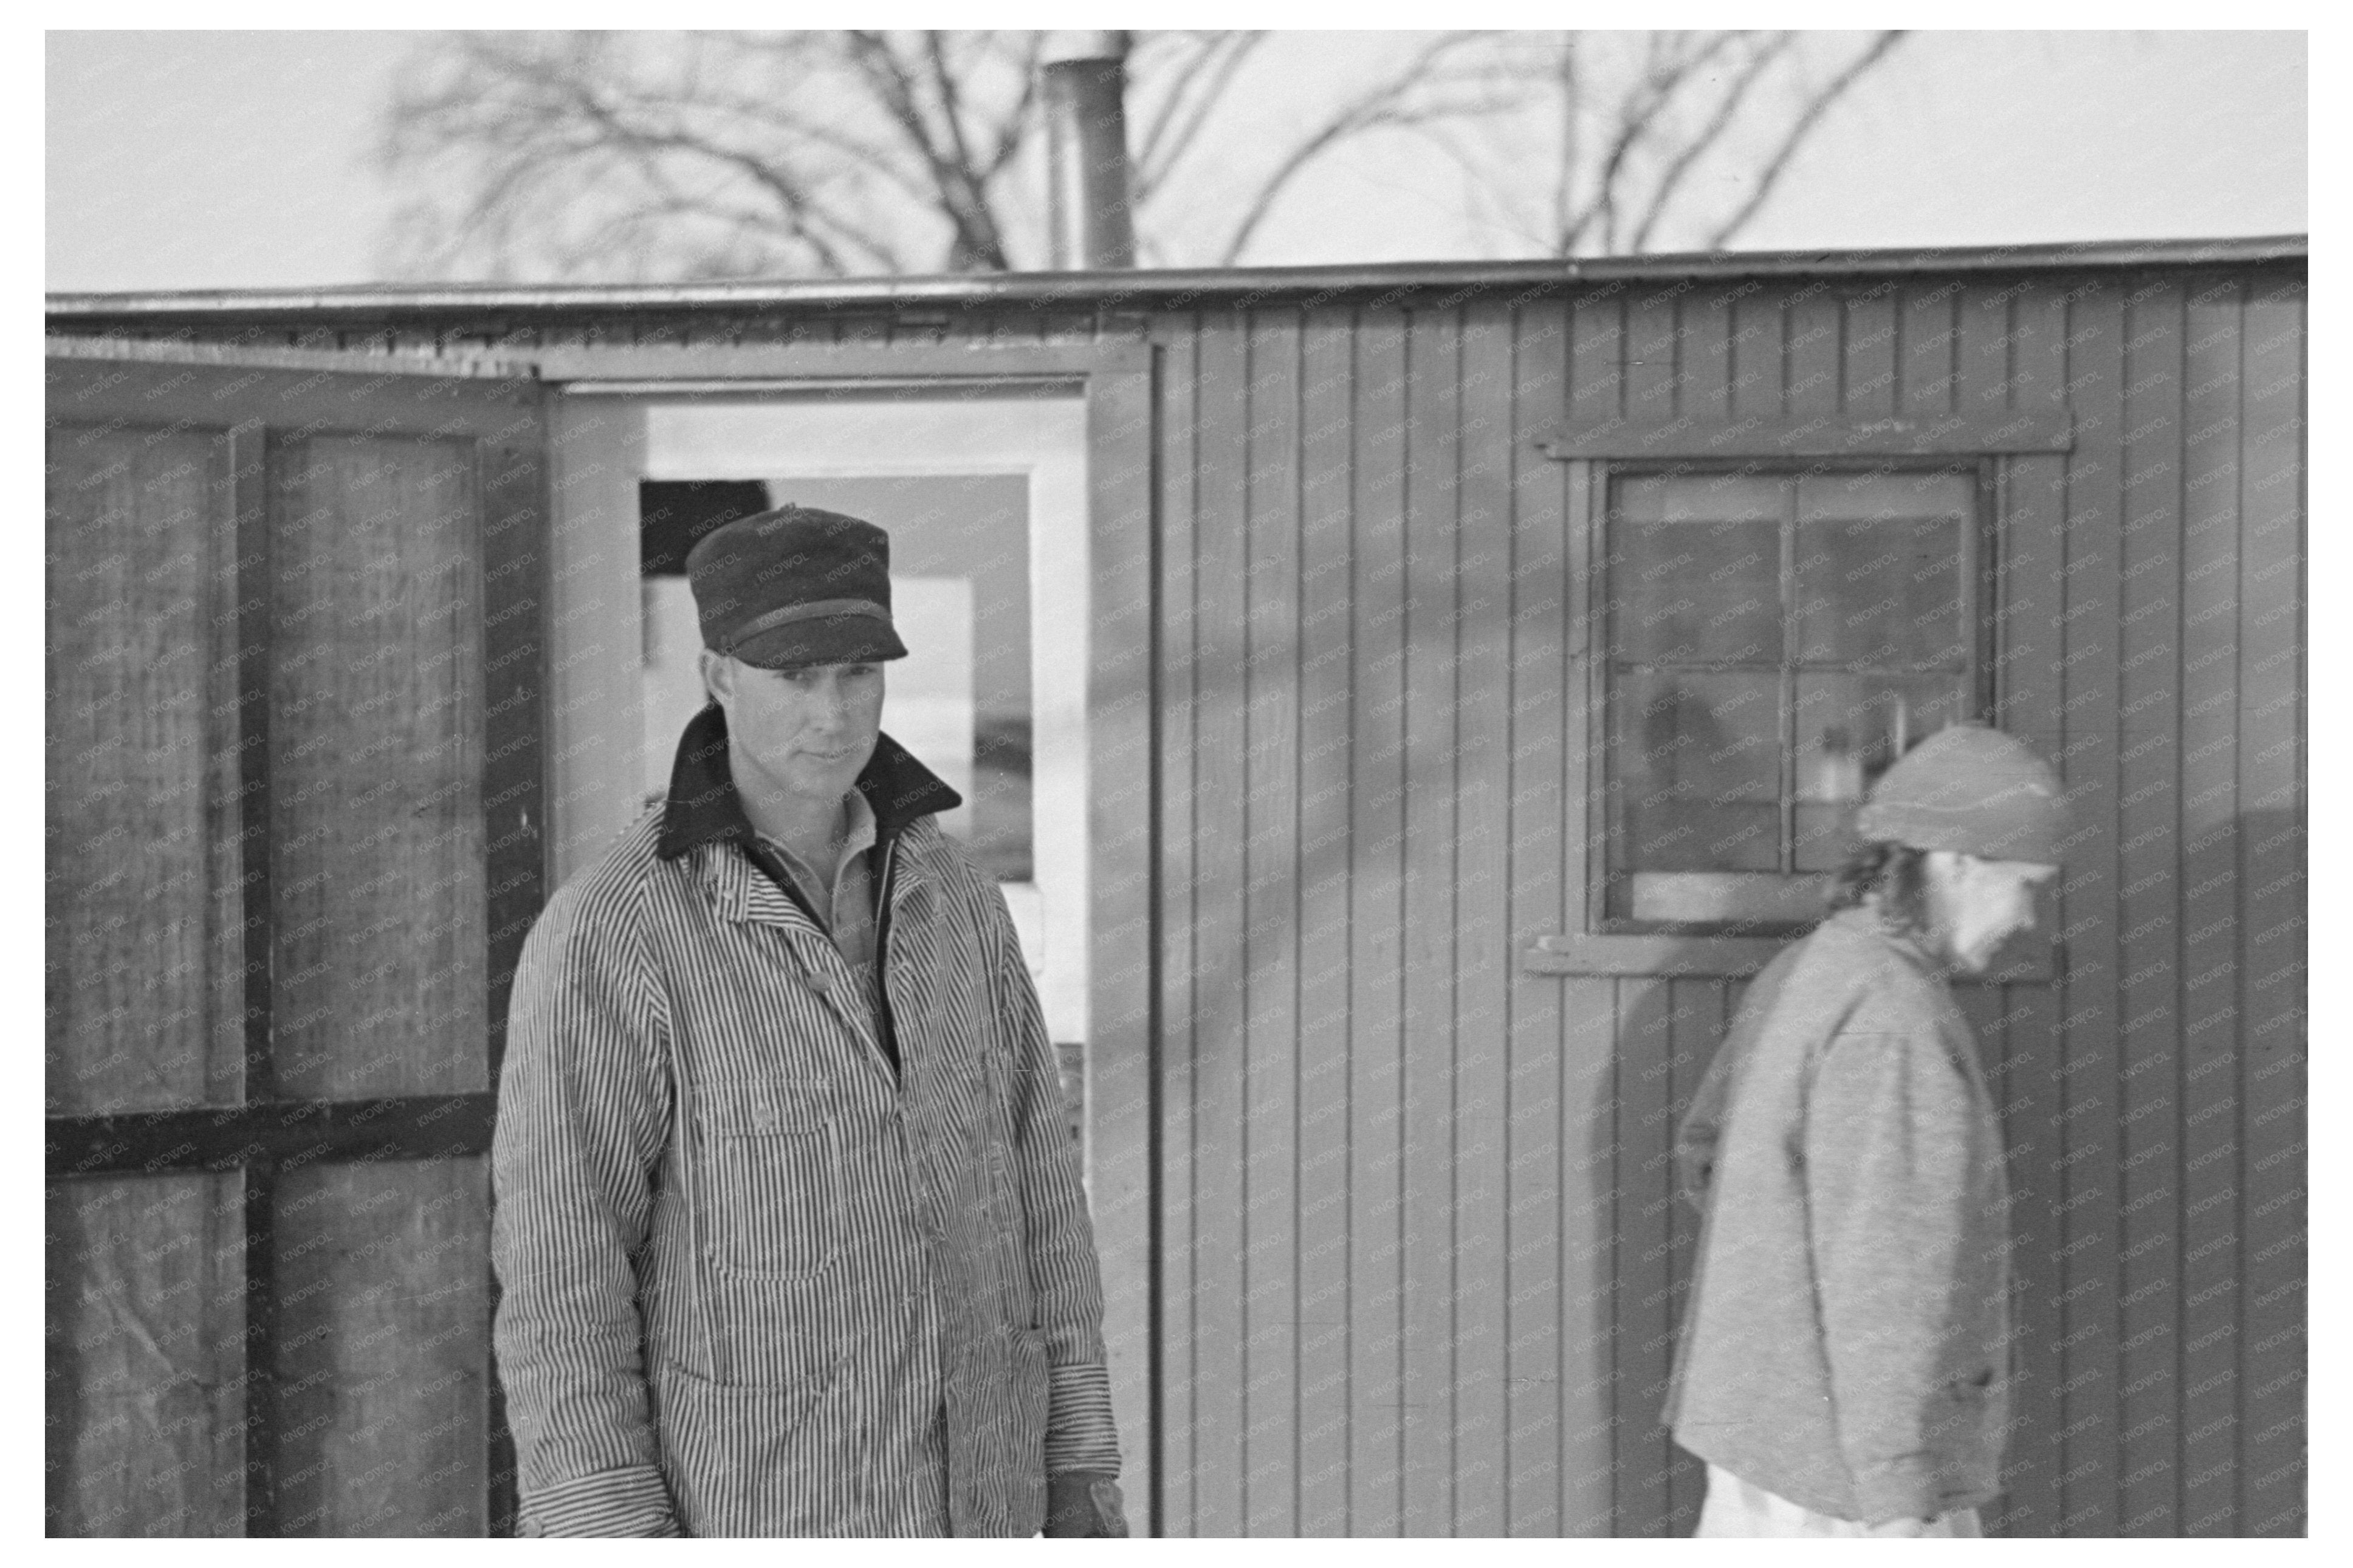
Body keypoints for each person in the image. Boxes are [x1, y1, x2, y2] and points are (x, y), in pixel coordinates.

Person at [491, 505, 1125, 1538]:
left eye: (858, 673)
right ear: (718, 676)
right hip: (756, 1508)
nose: (834, 714)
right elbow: (565, 1268)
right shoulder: (620, 928)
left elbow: (1043, 1198)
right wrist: (602, 1529)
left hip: (986, 1504)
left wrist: (1080, 1464)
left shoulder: (956, 899)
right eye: (795, 676)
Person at [1662, 722, 2068, 1538]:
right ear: (1954, 863)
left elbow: (1705, 1153)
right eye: (2024, 883)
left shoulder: (1810, 968)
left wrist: (1778, 1280)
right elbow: (1887, 1279)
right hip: (1846, 1478)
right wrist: (1901, 1498)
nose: (2026, 916)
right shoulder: (1895, 1019)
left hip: (1761, 1439)